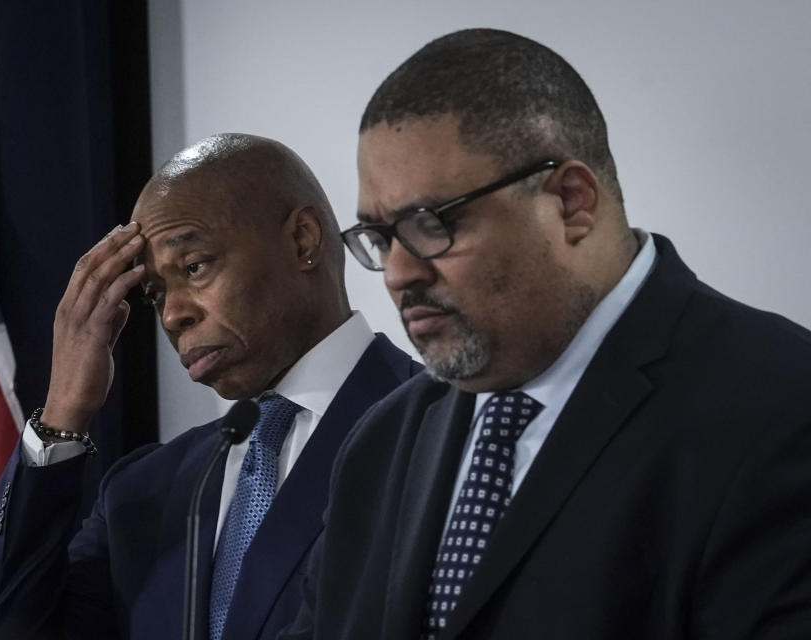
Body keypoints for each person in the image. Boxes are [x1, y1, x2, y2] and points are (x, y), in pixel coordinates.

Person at [283, 29, 811, 639]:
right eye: (380, 235)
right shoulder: (381, 444)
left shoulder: (780, 409)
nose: (399, 272)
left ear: (571, 201)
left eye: (431, 223)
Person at [0, 133, 418, 640]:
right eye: (154, 293)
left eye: (195, 267)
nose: (174, 314)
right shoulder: (144, 492)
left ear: (302, 239)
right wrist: (62, 414)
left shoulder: (442, 432)